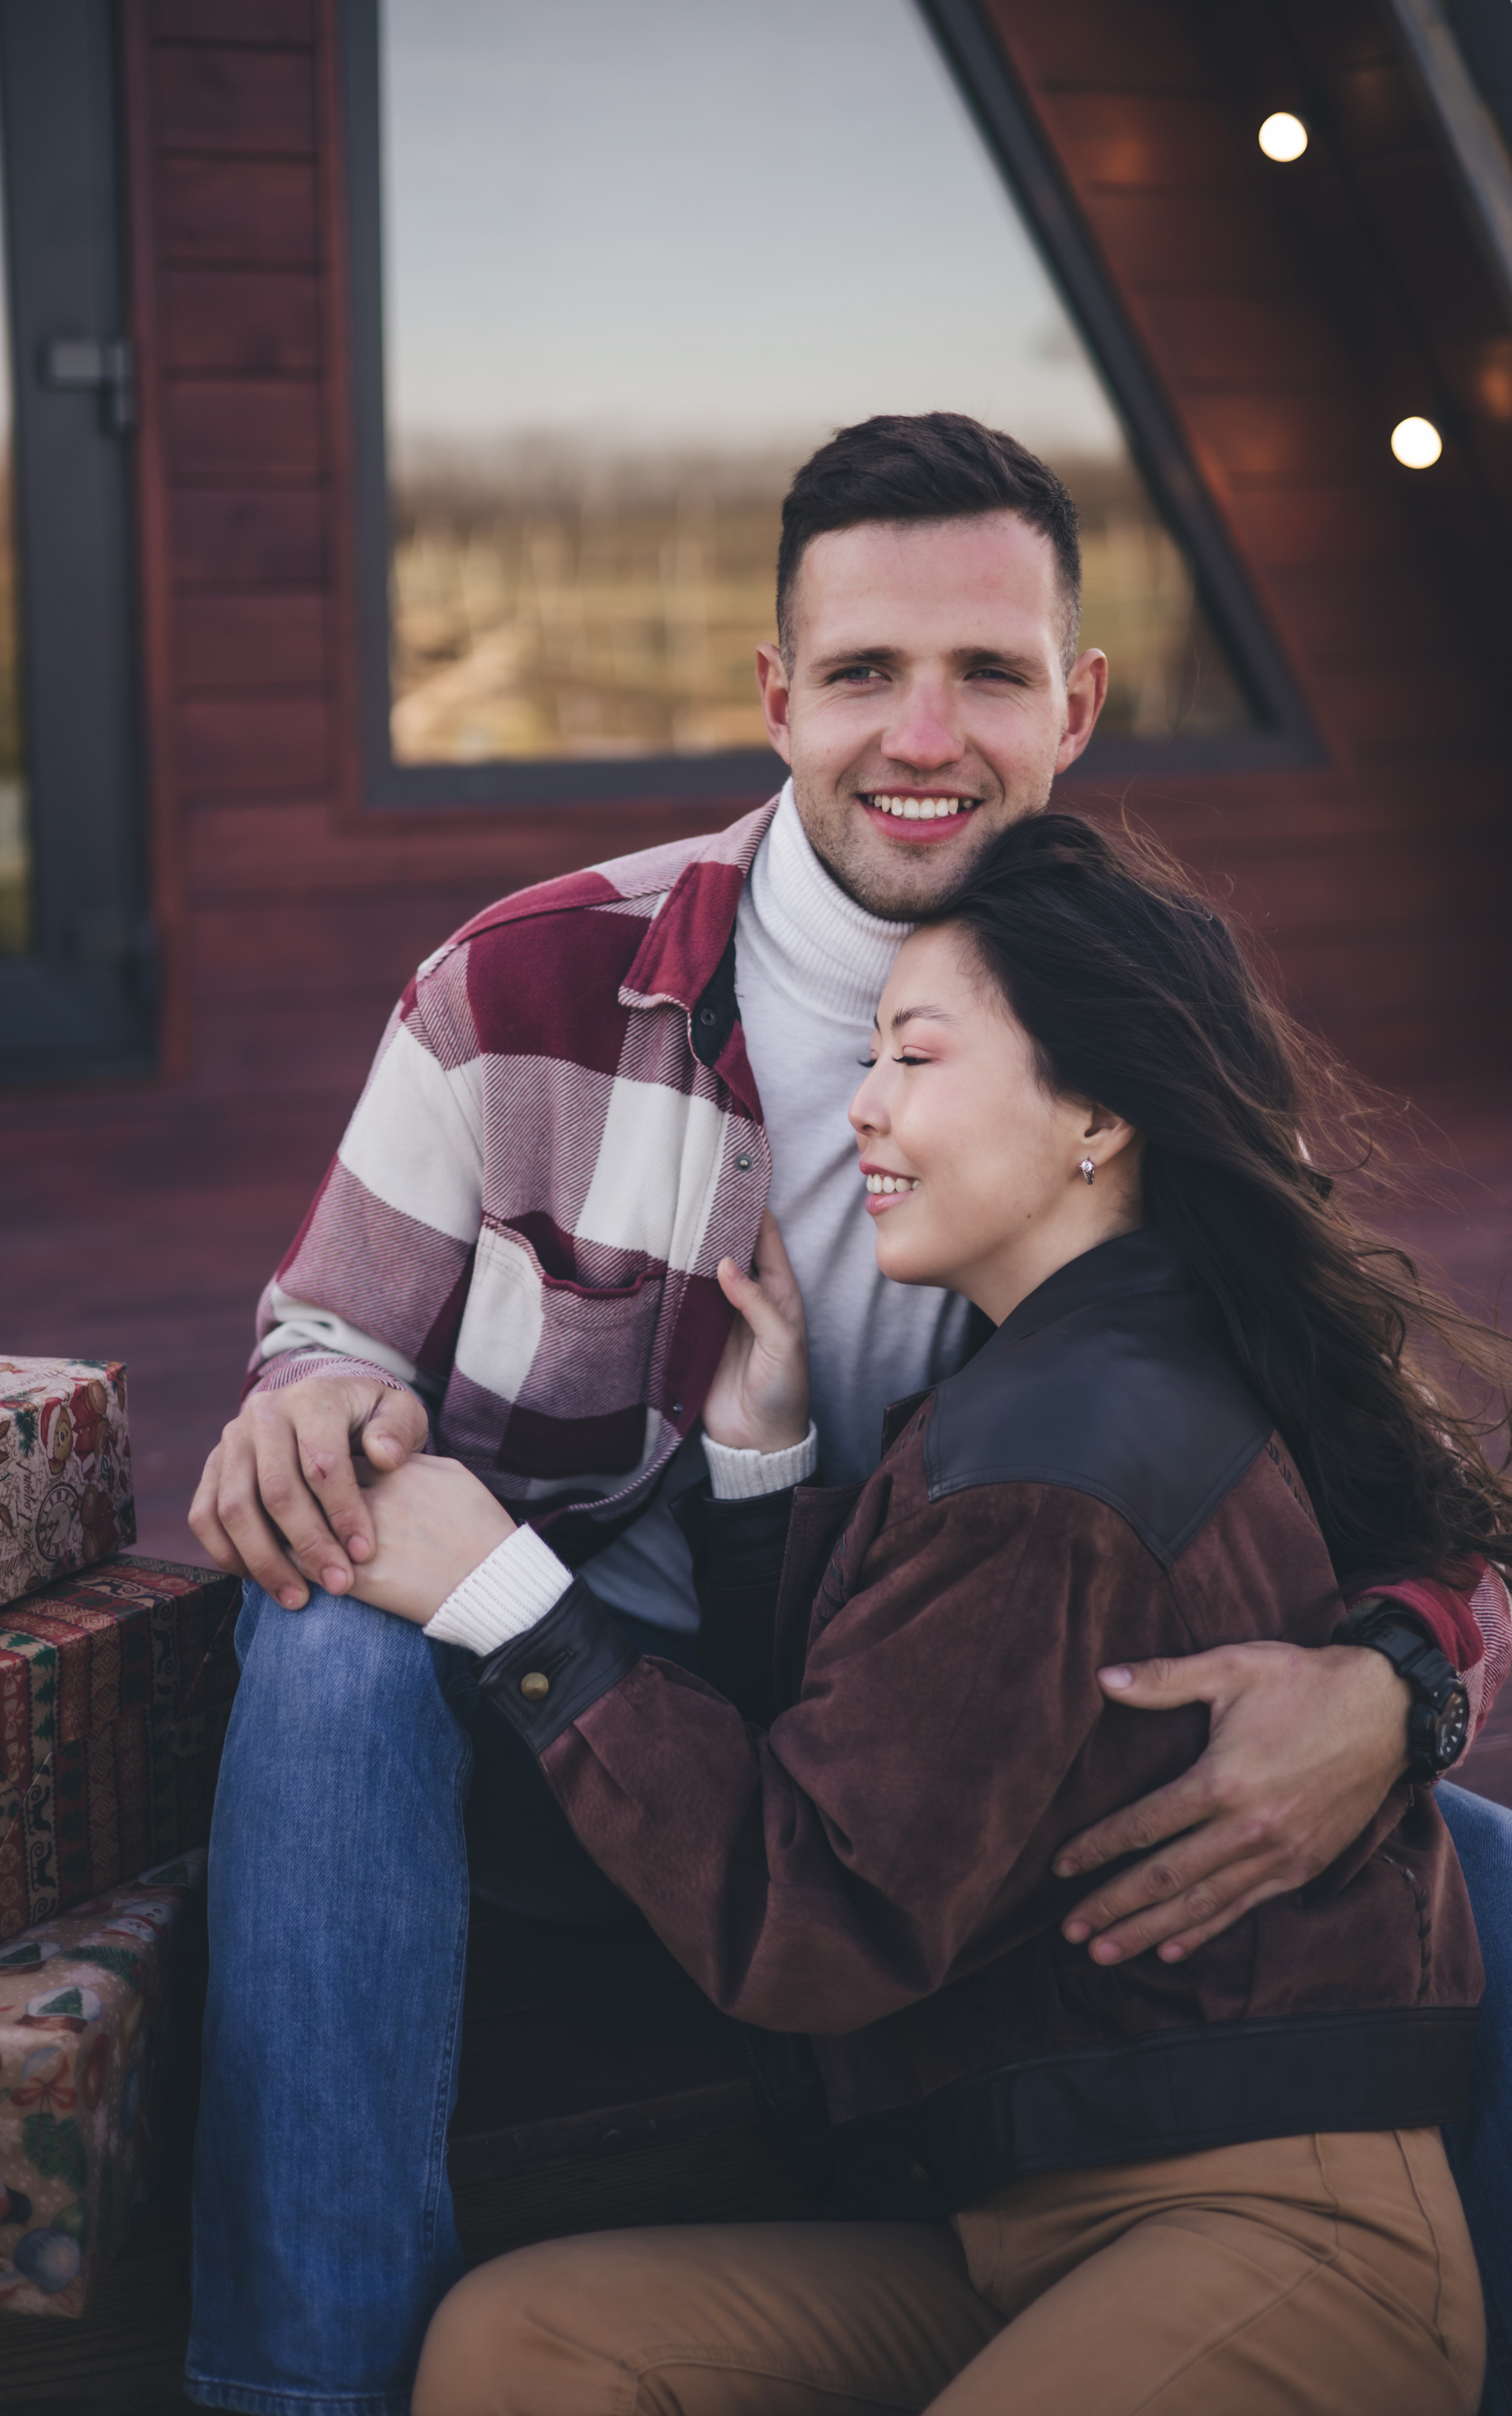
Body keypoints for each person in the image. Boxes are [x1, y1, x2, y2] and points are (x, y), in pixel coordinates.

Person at [182, 415, 1510, 2416]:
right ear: (776, 697)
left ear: (1073, 708)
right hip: (582, 1742)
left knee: (1469, 1853)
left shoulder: (1128, 1024)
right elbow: (326, 1343)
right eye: (867, 671)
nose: (925, 729)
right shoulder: (521, 990)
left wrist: (1403, 1684)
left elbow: (1385, 1459)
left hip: (924, 1751)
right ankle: (298, 2381)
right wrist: (315, 1409)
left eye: (986, 674)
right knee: (324, 1653)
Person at [346, 812, 1502, 2413]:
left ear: (1095, 1112)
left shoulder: (1063, 1446)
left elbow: (810, 1913)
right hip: (1016, 2227)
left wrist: (505, 1599)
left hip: (1270, 2230)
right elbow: (890, 1750)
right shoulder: (1073, 1371)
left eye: (914, 1057)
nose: (860, 1111)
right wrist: (762, 1472)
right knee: (528, 2349)